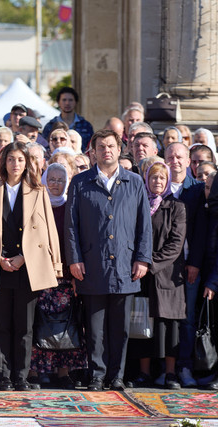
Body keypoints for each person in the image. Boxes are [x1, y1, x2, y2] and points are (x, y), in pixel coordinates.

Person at [0, 142, 62, 391]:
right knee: (1, 326)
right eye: (11, 159)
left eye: (20, 160)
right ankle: (5, 376)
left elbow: (48, 230)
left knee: (24, 326)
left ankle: (21, 376)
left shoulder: (38, 190)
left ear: (27, 163)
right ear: (3, 163)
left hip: (28, 267)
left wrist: (39, 260)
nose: (16, 164)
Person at [65, 129, 152, 391]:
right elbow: (71, 226)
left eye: (111, 146)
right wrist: (74, 259)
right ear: (92, 152)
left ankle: (116, 376)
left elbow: (144, 226)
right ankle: (97, 375)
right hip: (92, 264)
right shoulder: (80, 183)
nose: (106, 151)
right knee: (94, 329)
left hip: (125, 265)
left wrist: (142, 259)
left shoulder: (134, 182)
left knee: (120, 328)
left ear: (119, 149)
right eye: (101, 147)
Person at [127, 162, 185, 390]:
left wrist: (150, 264)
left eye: (162, 178)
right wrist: (139, 263)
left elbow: (176, 244)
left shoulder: (177, 206)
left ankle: (170, 374)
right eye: (153, 178)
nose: (157, 182)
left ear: (168, 180)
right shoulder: (139, 203)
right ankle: (144, 373)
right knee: (141, 321)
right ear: (146, 180)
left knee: (169, 324)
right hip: (140, 274)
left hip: (167, 274)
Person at [29, 163, 86, 389]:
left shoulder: (72, 205)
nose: (55, 184)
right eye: (51, 179)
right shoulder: (37, 205)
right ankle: (36, 372)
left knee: (66, 324)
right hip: (41, 272)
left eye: (60, 180)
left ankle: (64, 373)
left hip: (66, 274)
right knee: (40, 323)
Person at [164, 142, 207, 387]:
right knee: (165, 318)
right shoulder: (158, 185)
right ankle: (165, 368)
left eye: (179, 157)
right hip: (165, 267)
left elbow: (202, 231)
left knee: (187, 319)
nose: (175, 161)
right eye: (170, 157)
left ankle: (185, 367)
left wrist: (195, 263)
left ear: (188, 160)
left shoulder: (198, 188)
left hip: (190, 266)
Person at [42, 87, 94, 152]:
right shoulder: (50, 125)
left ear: (75, 102)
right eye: (64, 100)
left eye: (70, 100)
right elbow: (45, 147)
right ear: (58, 102)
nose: (67, 103)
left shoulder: (86, 125)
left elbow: (91, 148)